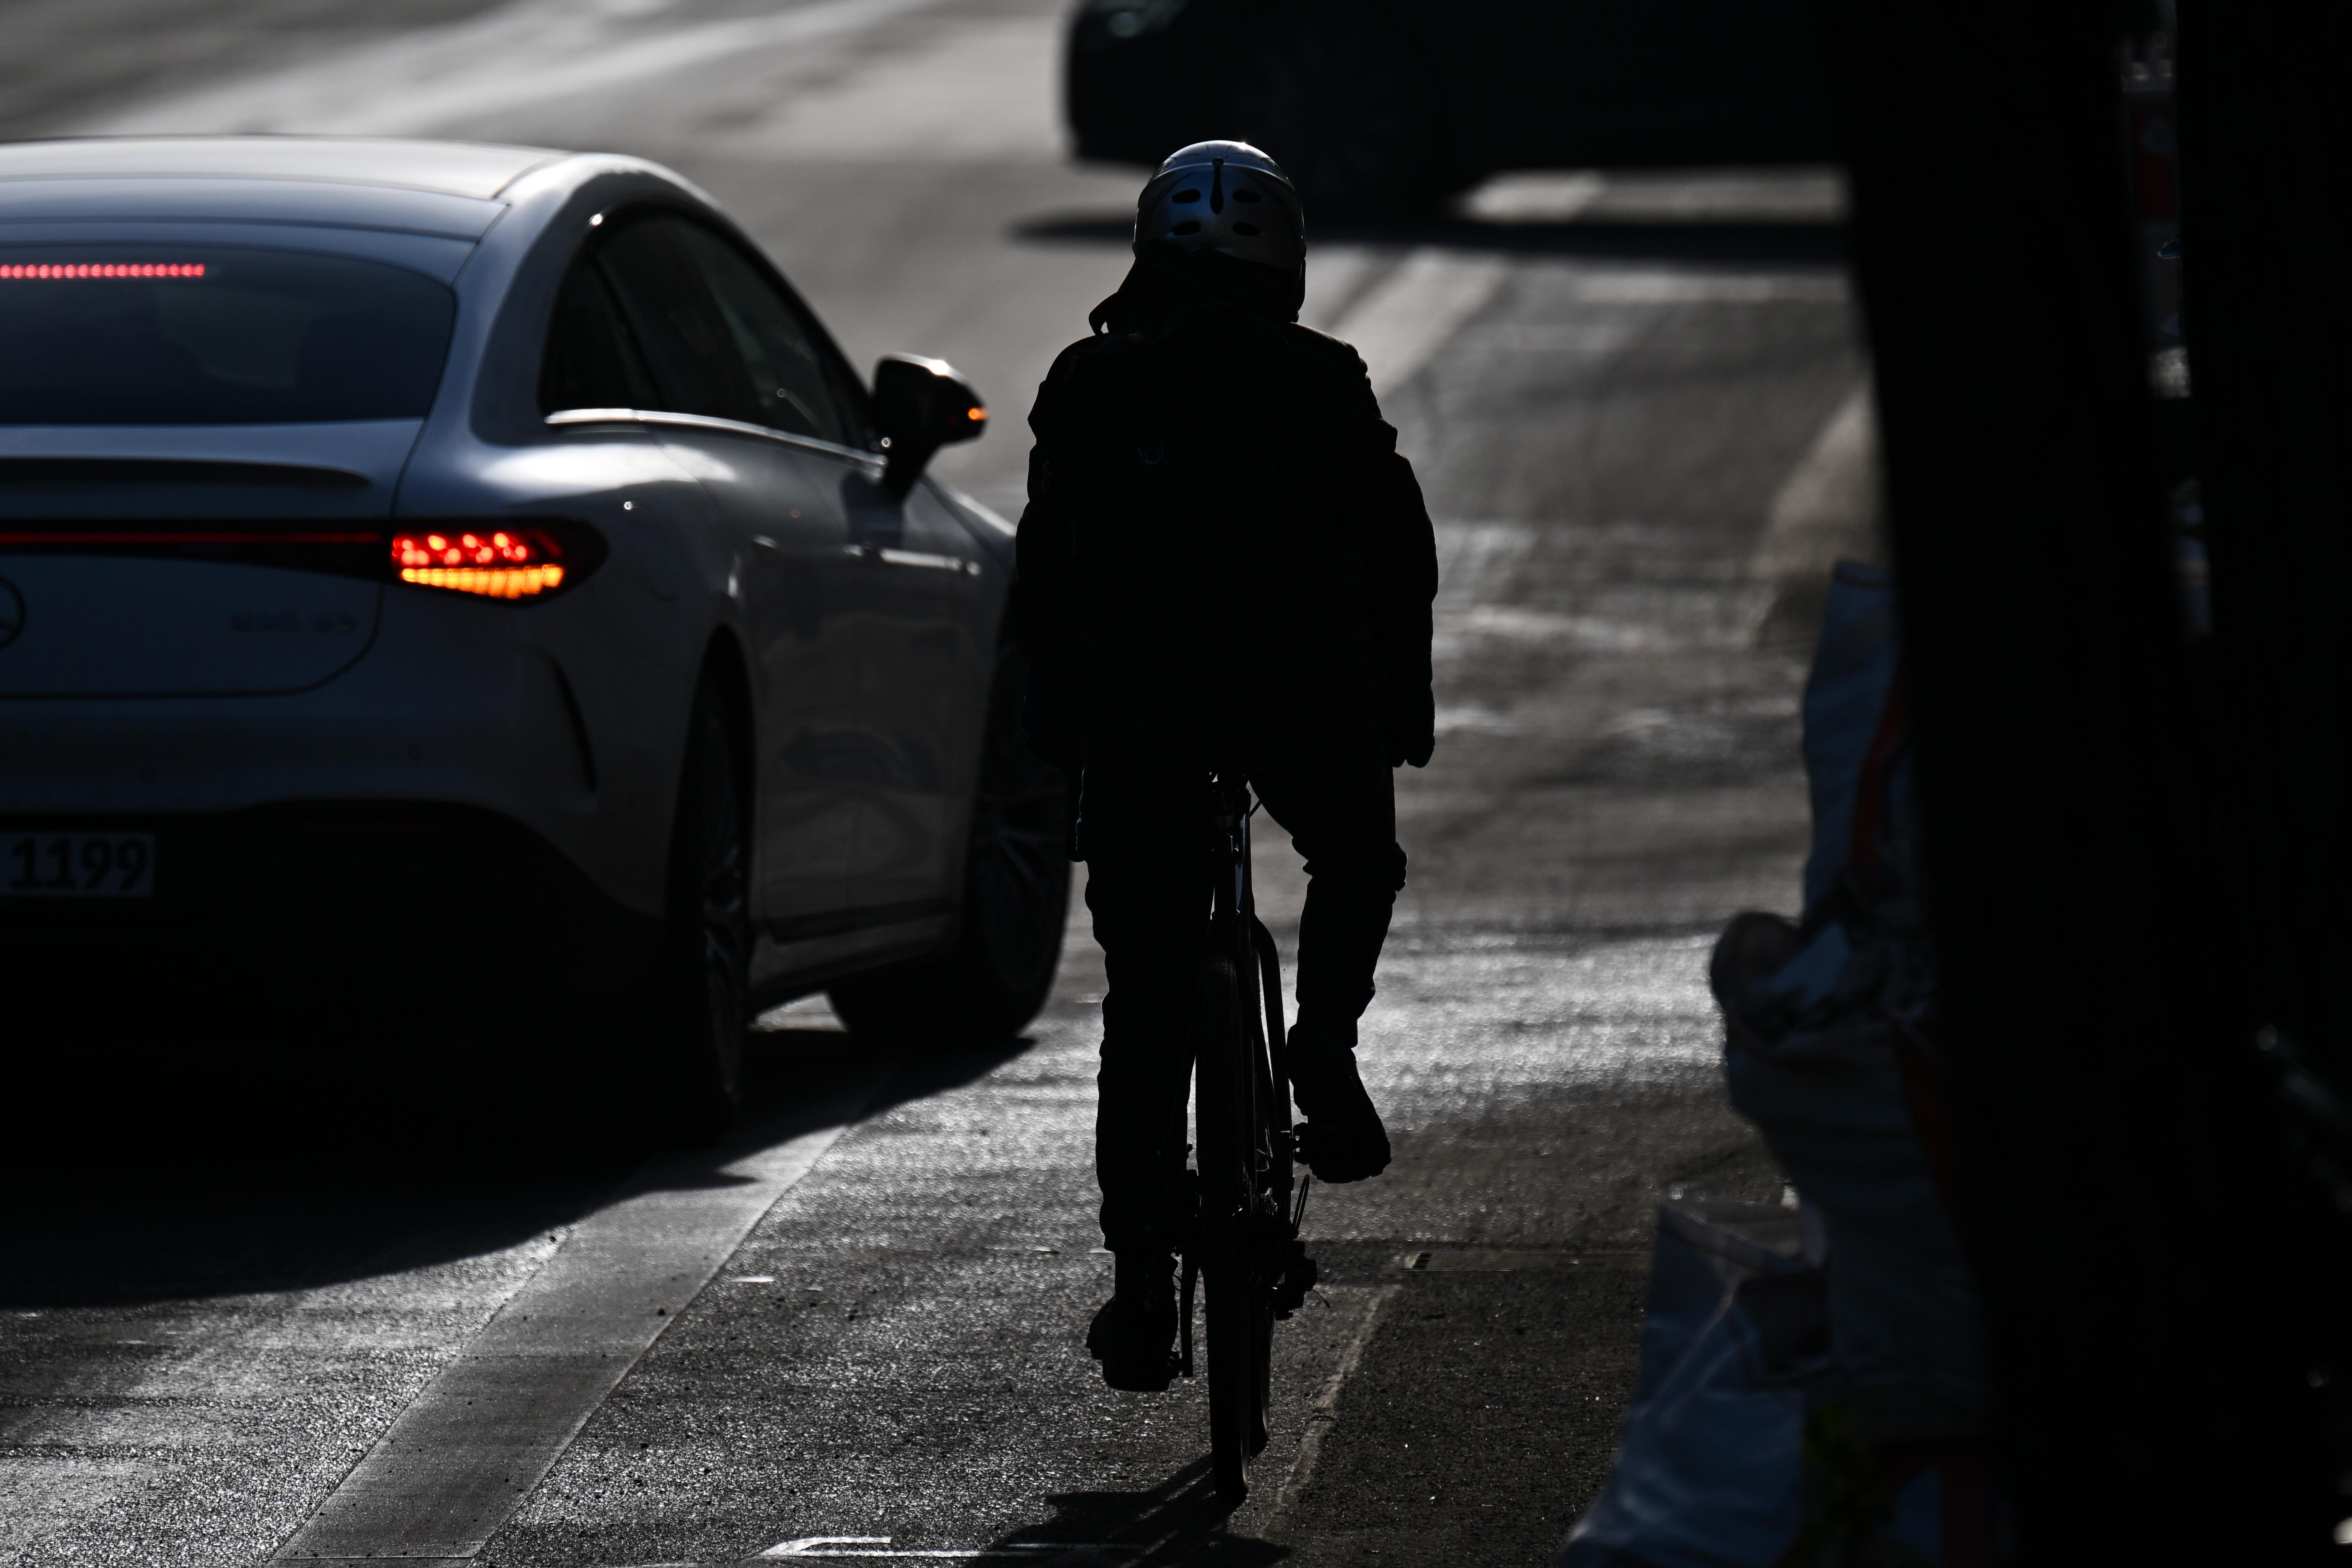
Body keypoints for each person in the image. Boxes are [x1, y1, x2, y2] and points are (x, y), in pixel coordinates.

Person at [1012, 141, 1438, 1392]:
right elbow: (1395, 552)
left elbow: (1049, 577)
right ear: (1287, 265)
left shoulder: (1087, 383)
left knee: (1145, 1002)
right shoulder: (1323, 378)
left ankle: (1142, 1282)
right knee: (1355, 854)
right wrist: (1398, 701)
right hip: (1306, 699)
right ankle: (1323, 1048)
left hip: (1139, 721)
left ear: (1145, 252)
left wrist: (1056, 735)